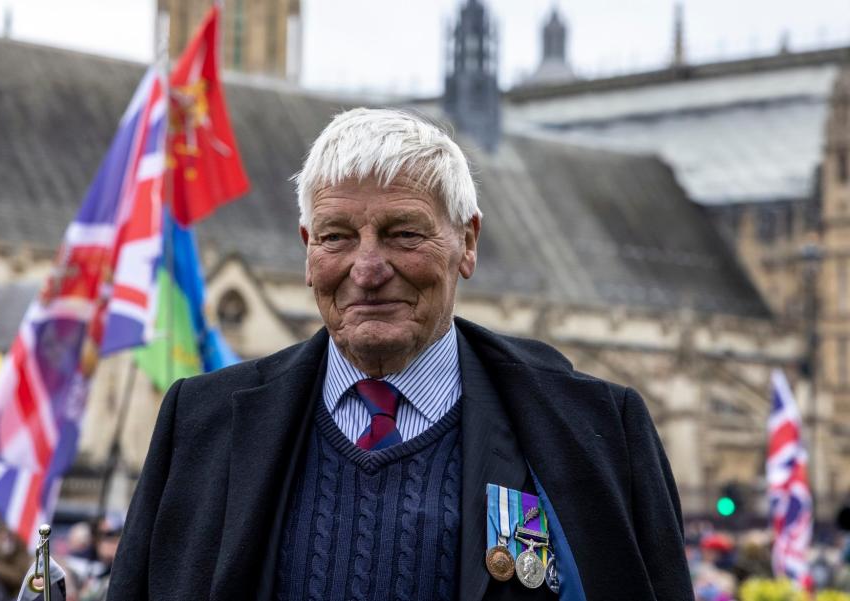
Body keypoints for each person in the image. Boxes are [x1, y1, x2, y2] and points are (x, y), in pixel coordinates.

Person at [109, 108, 693, 600]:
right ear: (308, 251)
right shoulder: (201, 421)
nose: (367, 271)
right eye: (337, 236)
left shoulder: (595, 429)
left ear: (467, 242)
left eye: (403, 234)